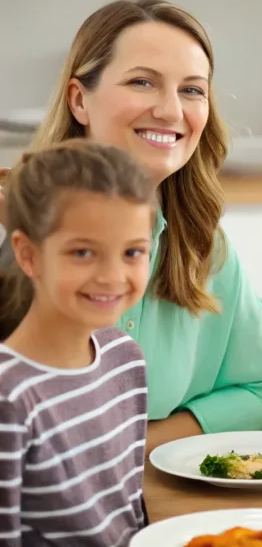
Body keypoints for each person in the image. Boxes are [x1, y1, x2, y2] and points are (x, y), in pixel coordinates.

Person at [0, 0, 262, 453]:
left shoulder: (202, 244)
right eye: (143, 82)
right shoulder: (12, 230)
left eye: (192, 90)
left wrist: (134, 449)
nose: (171, 111)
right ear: (80, 100)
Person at [0, 140, 155, 545]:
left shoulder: (125, 359)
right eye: (83, 252)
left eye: (133, 252)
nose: (112, 276)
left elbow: (128, 519)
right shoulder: (9, 396)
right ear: (29, 255)